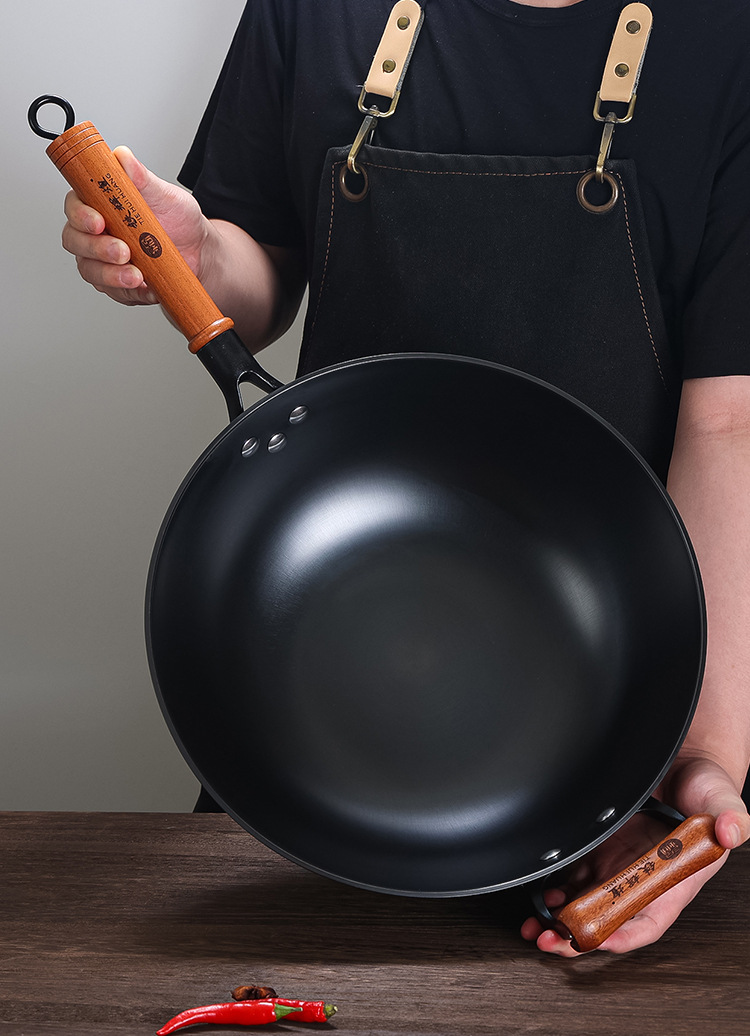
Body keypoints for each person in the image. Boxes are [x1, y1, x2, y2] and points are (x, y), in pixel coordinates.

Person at [60, 0, 750, 955]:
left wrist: (700, 757)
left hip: (611, 724)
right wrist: (199, 255)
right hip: (314, 714)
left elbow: (727, 425)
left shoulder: (729, 36)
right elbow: (256, 280)